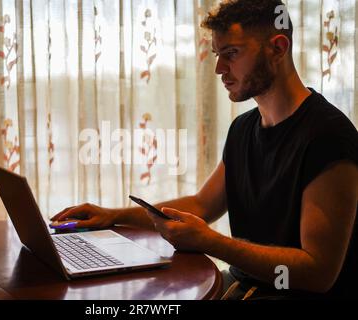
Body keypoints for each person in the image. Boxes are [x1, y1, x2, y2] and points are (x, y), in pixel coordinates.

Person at [52, 0, 358, 299]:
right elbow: (201, 205)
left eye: (231, 54)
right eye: (217, 54)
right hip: (244, 286)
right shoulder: (243, 129)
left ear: (278, 48)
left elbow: (318, 274)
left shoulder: (328, 136)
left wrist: (212, 242)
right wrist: (113, 215)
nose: (219, 68)